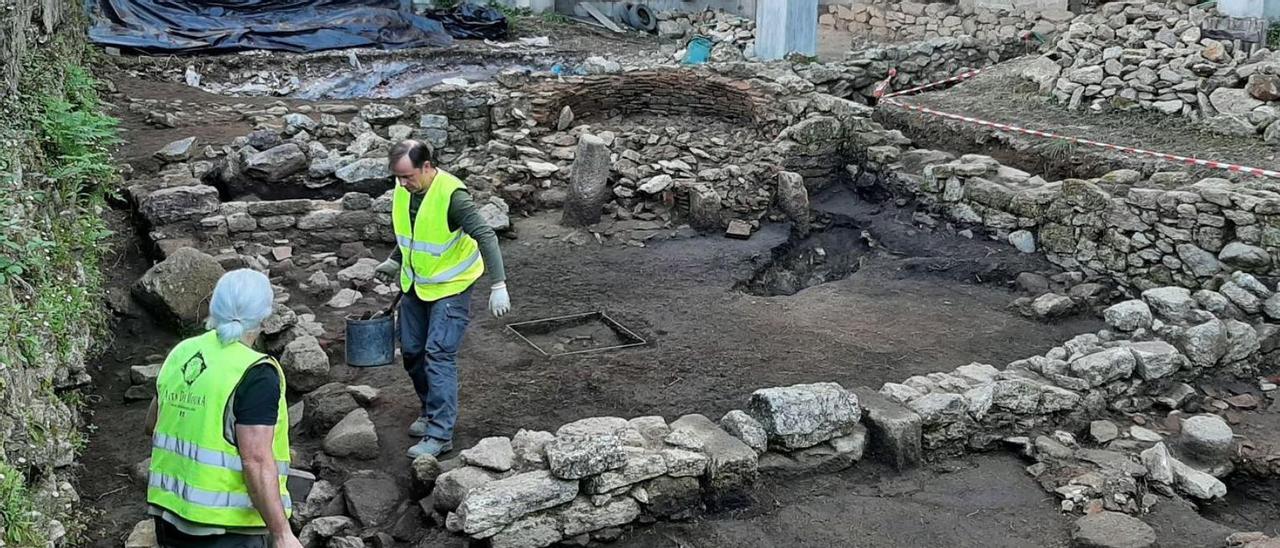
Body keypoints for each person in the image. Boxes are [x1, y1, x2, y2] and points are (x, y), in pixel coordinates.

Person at [144, 269, 301, 548]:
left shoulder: (183, 352)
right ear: (264, 316)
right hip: (226, 529)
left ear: (214, 307)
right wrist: (281, 533)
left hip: (170, 516)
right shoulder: (256, 373)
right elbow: (256, 460)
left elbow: (153, 425)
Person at [375, 139, 510, 459]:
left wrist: (498, 284)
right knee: (411, 352)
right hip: (418, 284)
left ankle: (440, 434)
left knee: (438, 353)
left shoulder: (452, 196)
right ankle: (428, 411)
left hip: (452, 286)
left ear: (426, 166)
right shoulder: (405, 190)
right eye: (398, 178)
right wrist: (395, 259)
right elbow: (415, 231)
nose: (403, 183)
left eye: (408, 176)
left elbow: (486, 235)